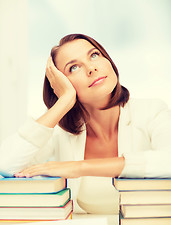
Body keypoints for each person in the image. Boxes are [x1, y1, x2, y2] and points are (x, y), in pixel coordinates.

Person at [0, 33, 171, 214]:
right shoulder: (60, 131)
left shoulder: (152, 111)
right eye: (74, 68)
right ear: (61, 83)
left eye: (94, 55)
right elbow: (6, 164)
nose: (91, 68)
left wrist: (78, 167)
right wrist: (64, 102)